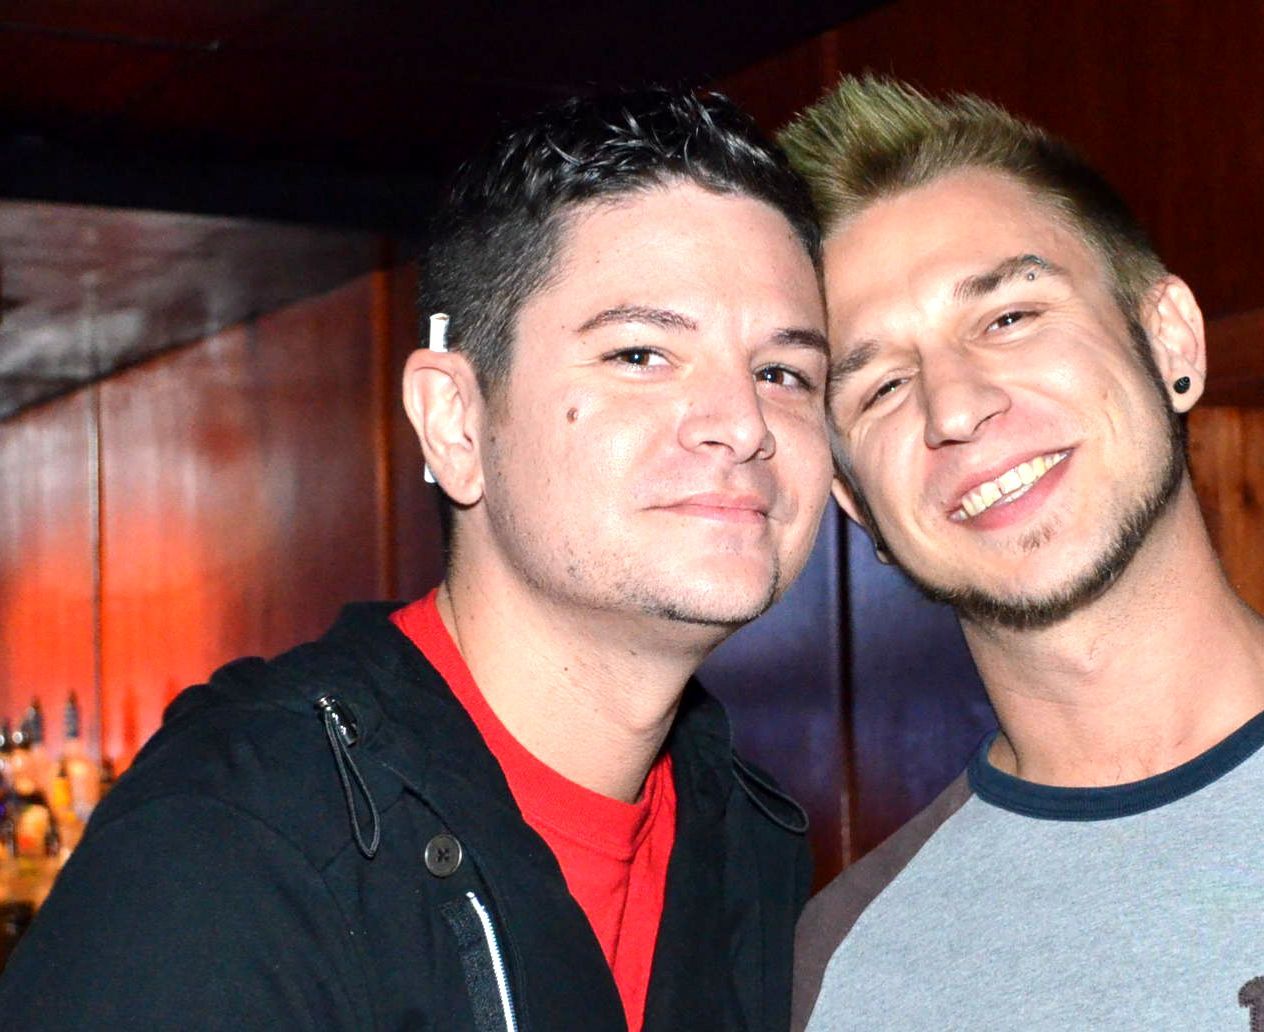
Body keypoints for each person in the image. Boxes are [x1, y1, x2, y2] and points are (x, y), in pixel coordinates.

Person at [0, 87, 832, 1031]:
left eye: (782, 372)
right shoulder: (233, 841)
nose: (742, 423)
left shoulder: (748, 842)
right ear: (455, 423)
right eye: (640, 355)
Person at [778, 77, 1264, 1030]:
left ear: (1169, 340)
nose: (955, 407)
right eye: (881, 386)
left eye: (1009, 318)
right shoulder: (842, 971)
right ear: (857, 504)